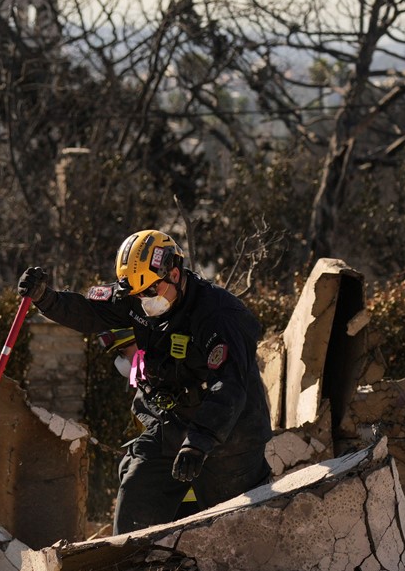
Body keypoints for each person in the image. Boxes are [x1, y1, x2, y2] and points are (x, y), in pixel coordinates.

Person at [18, 229, 271, 534]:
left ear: (175, 273)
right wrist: (46, 299)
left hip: (230, 433)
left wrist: (199, 442)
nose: (143, 300)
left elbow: (229, 387)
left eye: (150, 292)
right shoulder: (138, 295)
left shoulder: (219, 315)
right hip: (173, 422)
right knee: (137, 489)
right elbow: (90, 312)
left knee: (234, 527)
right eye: (136, 294)